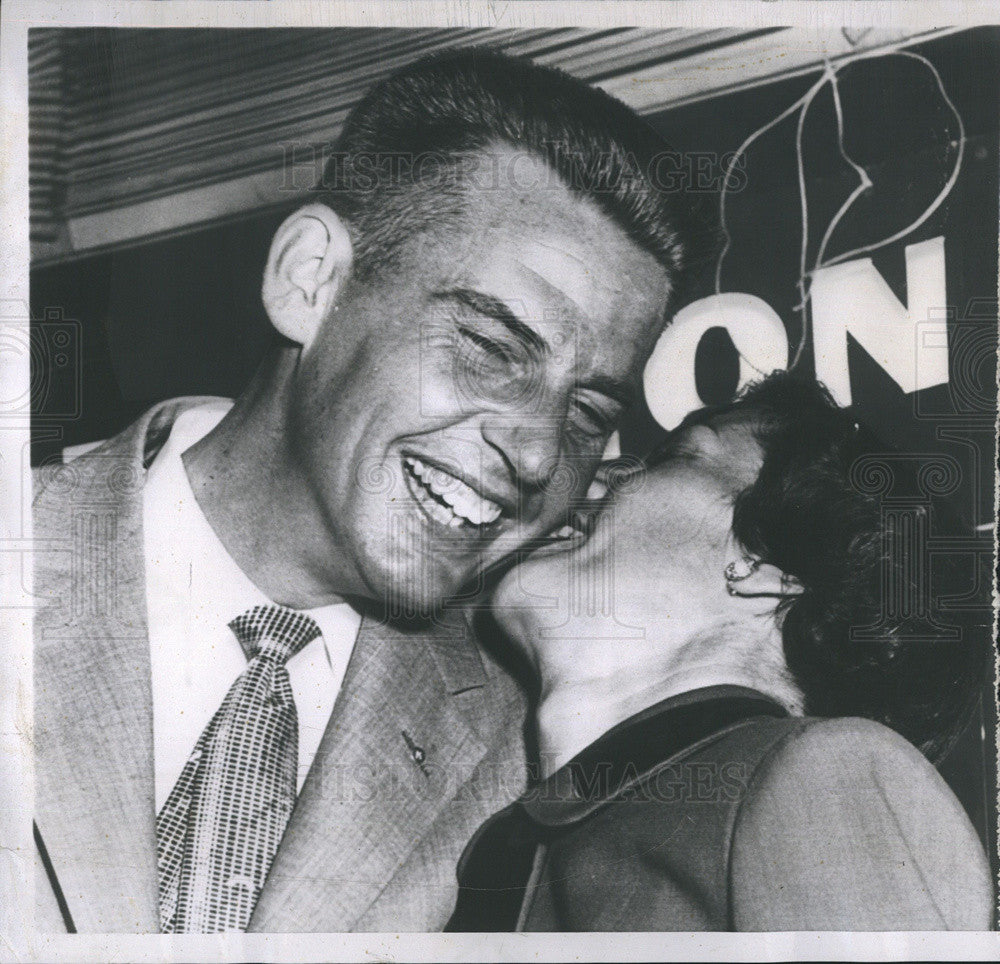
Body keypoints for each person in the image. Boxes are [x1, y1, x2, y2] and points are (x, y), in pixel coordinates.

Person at [32, 48, 703, 933]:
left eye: (587, 412)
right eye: (493, 347)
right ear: (310, 281)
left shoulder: (531, 753)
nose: (540, 454)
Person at [448, 371, 994, 931]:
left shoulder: (830, 780)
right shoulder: (513, 853)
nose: (590, 478)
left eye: (673, 458)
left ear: (761, 568)